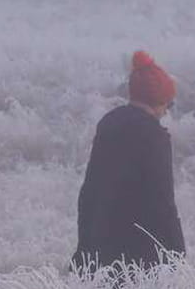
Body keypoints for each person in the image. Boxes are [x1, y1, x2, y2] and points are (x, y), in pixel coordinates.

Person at [72, 50, 186, 274]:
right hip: (138, 255)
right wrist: (178, 255)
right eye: (168, 105)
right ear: (158, 102)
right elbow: (163, 203)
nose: (166, 113)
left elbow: (89, 192)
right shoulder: (154, 136)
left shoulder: (109, 124)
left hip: (100, 243)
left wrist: (84, 248)